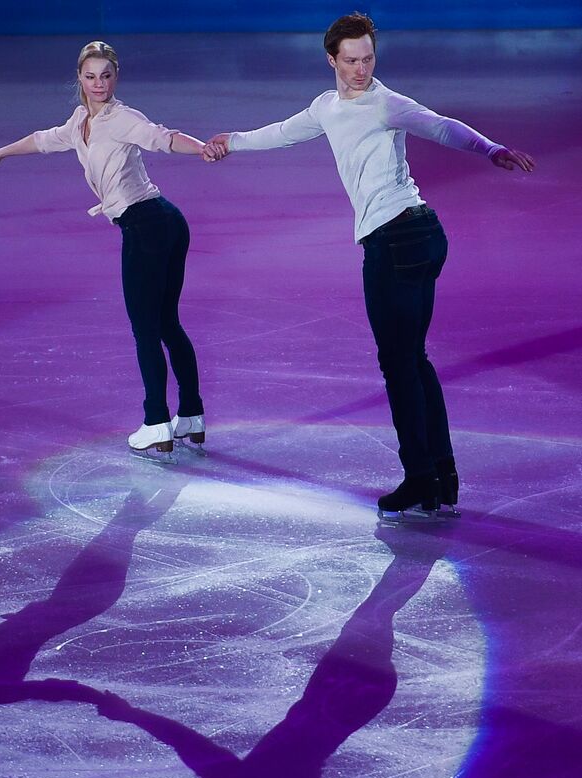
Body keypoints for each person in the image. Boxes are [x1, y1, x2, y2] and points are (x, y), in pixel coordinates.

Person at [206, 12, 534, 516]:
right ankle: (441, 476)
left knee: (399, 364)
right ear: (332, 60)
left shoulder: (385, 103)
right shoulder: (325, 107)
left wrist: (489, 148)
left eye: (368, 58)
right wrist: (233, 139)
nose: (361, 69)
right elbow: (283, 132)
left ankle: (421, 478)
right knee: (414, 360)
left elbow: (440, 126)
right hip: (418, 237)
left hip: (400, 240)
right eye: (352, 60)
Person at [0, 40, 214, 458]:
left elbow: (163, 137)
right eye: (91, 76)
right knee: (165, 324)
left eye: (106, 75)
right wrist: (2, 152)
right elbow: (45, 139)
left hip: (149, 225)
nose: (99, 83)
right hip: (164, 222)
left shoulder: (122, 118)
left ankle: (156, 420)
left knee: (147, 329)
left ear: (115, 77)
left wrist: (202, 149)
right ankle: (190, 415)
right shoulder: (80, 120)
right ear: (80, 79)